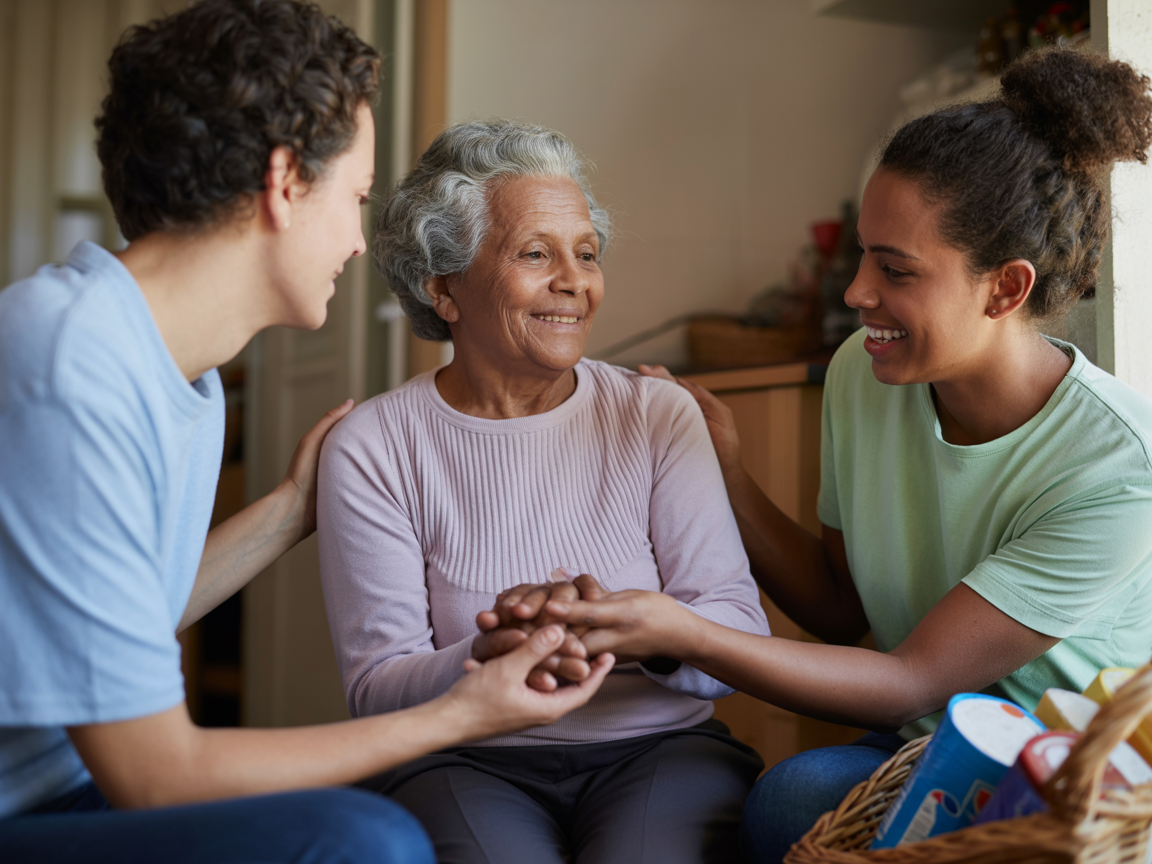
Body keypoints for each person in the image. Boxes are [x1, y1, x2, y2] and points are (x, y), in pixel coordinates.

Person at [0, 4, 612, 863]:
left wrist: (291, 510)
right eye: (356, 198)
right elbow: (157, 775)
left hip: (63, 785)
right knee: (365, 838)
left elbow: (105, 623)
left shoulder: (183, 371)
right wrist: (462, 712)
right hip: (35, 802)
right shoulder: (71, 364)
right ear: (286, 182)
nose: (361, 244)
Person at [521, 47, 1152, 863]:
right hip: (918, 752)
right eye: (862, 255)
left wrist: (680, 630)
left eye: (894, 270)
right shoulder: (867, 372)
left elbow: (914, 677)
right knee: (794, 798)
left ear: (1005, 289)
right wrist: (728, 475)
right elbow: (842, 607)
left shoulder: (1115, 467)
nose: (856, 293)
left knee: (794, 798)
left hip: (1066, 779)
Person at [316, 119, 770, 864]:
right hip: (461, 758)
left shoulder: (655, 414)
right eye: (536, 254)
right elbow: (378, 686)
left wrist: (646, 632)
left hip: (659, 750)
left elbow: (741, 629)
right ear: (444, 287)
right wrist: (489, 653)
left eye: (586, 254)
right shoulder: (373, 445)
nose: (574, 281)